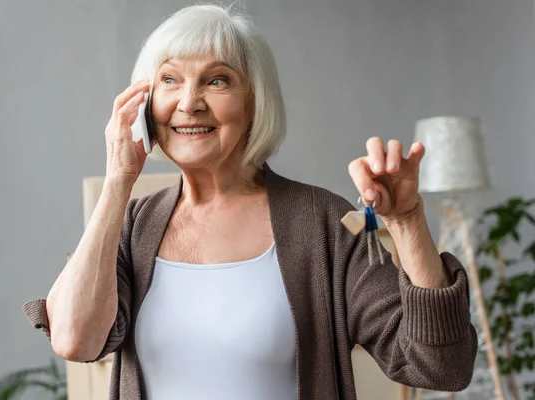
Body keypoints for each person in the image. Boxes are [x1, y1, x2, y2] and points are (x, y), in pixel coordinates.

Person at [24, 4, 477, 400]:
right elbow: (74, 340)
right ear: (144, 104)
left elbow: (441, 368)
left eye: (216, 80)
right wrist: (119, 180)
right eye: (169, 80)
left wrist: (408, 221)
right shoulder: (135, 225)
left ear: (255, 103)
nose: (189, 102)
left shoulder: (325, 224)